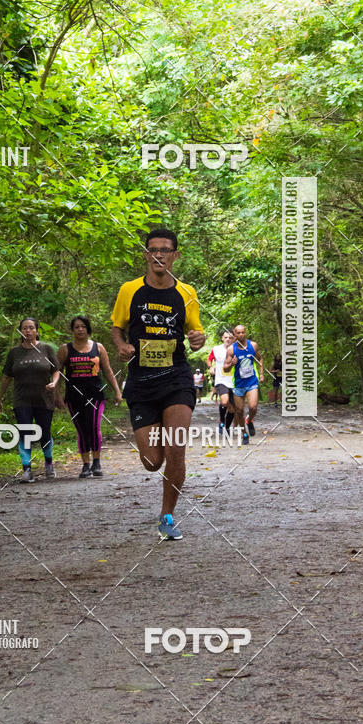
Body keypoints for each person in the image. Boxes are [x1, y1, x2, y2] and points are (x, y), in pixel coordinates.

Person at [111, 228, 205, 541]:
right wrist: (122, 346)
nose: (159, 255)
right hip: (141, 382)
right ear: (146, 254)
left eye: (165, 250)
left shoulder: (186, 292)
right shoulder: (129, 290)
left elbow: (196, 339)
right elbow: (116, 329)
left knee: (176, 451)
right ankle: (159, 451)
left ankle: (167, 517)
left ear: (175, 255)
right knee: (153, 461)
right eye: (153, 250)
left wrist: (198, 339)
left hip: (176, 377)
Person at [0, 317, 61, 482]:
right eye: (25, 328)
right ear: (20, 331)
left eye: (31, 328)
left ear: (37, 331)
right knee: (24, 433)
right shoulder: (14, 353)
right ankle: (27, 469)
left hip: (44, 398)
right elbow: (6, 377)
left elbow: (56, 370)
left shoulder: (46, 349)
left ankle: (49, 463)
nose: (28, 331)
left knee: (44, 432)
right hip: (22, 399)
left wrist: (53, 383)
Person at [57, 316, 122, 478]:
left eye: (83, 326)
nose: (80, 330)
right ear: (72, 330)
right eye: (77, 327)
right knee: (82, 429)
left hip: (95, 394)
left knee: (94, 426)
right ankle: (85, 465)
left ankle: (97, 462)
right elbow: (57, 373)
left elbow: (107, 371)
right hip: (73, 396)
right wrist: (56, 394)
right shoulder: (65, 349)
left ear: (88, 329)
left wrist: (117, 391)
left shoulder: (98, 348)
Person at [223, 324, 264, 445]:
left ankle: (249, 419)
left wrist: (261, 373)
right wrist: (232, 364)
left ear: (245, 333)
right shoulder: (231, 349)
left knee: (253, 407)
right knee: (239, 411)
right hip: (238, 384)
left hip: (252, 382)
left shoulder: (253, 345)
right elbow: (225, 368)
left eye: (243, 332)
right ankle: (244, 434)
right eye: (238, 333)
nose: (241, 335)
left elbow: (260, 359)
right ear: (234, 335)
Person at [207, 331, 235, 433]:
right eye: (226, 337)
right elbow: (209, 359)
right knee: (224, 401)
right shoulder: (216, 349)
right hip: (221, 380)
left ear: (233, 339)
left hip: (235, 381)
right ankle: (221, 420)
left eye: (230, 337)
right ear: (222, 338)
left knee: (233, 409)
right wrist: (210, 367)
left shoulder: (237, 349)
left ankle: (227, 426)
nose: (228, 339)